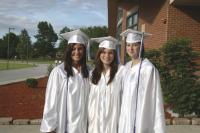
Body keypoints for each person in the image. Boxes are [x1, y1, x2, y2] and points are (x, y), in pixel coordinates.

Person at [40, 29, 90, 133]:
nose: (77, 52)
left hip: (83, 125)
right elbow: (51, 101)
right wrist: (50, 127)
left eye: (80, 49)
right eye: (73, 49)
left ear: (84, 51)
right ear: (68, 51)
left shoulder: (89, 71)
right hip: (65, 125)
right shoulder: (59, 72)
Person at [118, 29, 166, 133]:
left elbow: (155, 97)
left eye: (134, 45)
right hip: (125, 116)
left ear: (141, 46)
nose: (131, 48)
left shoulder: (148, 68)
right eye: (128, 45)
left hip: (141, 116)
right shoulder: (125, 67)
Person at [88, 36, 124, 133]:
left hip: (113, 122)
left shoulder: (122, 72)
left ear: (114, 55)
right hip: (95, 122)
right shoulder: (92, 74)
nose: (107, 56)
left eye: (110, 53)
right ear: (99, 54)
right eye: (103, 52)